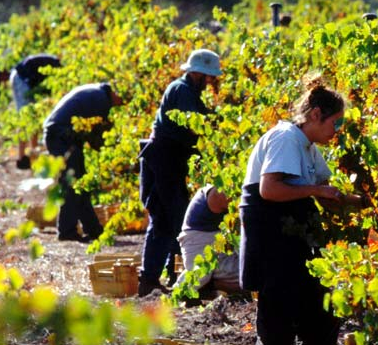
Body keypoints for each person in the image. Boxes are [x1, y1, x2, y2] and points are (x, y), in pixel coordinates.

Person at [238, 74, 369, 345]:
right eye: (337, 122)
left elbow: (326, 190)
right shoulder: (286, 137)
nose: (338, 130)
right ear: (317, 114)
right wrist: (316, 191)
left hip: (291, 234)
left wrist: (365, 202)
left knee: (317, 309)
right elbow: (269, 190)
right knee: (279, 311)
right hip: (270, 233)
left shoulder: (308, 147)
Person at [138, 49, 223, 297]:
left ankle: (158, 277)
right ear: (197, 72)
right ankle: (167, 278)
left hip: (167, 159)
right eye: (207, 77)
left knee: (166, 219)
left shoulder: (187, 90)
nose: (209, 82)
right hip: (164, 158)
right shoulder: (183, 90)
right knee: (172, 218)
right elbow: (194, 124)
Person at [43, 82, 123, 242]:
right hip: (61, 136)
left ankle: (93, 229)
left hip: (60, 135)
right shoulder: (102, 100)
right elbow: (98, 137)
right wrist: (116, 157)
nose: (123, 103)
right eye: (123, 98)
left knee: (81, 184)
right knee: (72, 184)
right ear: (115, 93)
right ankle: (66, 231)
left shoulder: (95, 92)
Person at [173, 185, 239, 301]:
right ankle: (184, 290)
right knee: (203, 275)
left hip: (220, 242)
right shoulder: (219, 193)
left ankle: (209, 286)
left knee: (248, 272)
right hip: (199, 241)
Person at [11, 53, 62, 170]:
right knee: (27, 116)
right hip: (21, 79)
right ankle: (23, 158)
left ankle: (33, 154)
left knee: (33, 115)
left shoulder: (52, 63)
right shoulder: (56, 68)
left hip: (23, 79)